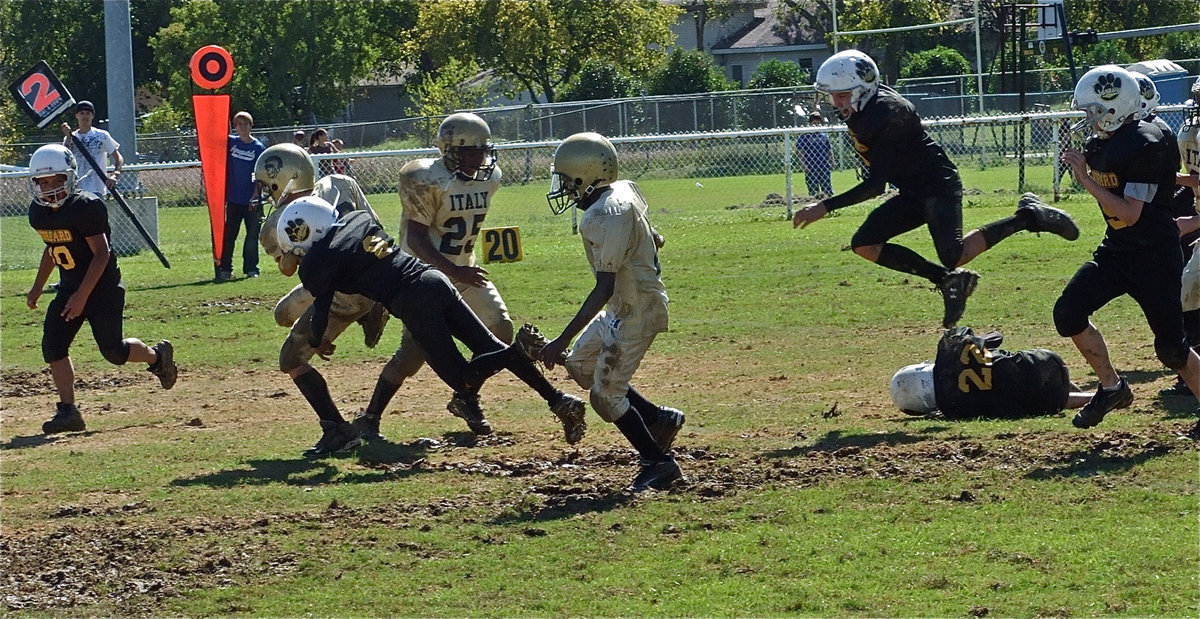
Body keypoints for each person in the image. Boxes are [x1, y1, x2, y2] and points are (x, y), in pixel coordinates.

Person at [791, 50, 1082, 328]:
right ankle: (948, 281)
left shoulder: (889, 114)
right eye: (833, 95)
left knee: (954, 255)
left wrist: (824, 206)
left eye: (842, 95)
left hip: (937, 184)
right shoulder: (866, 107)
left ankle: (1029, 217)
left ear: (862, 90)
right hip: (912, 190)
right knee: (865, 244)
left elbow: (875, 185)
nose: (836, 102)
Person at [275, 198, 586, 455]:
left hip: (413, 299)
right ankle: (558, 399)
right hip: (433, 278)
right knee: (491, 348)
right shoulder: (355, 218)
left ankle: (521, 349)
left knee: (462, 380)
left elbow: (321, 310)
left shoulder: (318, 260)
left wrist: (316, 341)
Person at [356, 112, 586, 444]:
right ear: (451, 150)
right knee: (411, 357)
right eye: (472, 152)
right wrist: (453, 271)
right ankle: (371, 416)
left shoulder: (489, 179)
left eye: (484, 151)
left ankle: (465, 397)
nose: (481, 158)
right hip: (423, 280)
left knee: (501, 328)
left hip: (464, 271)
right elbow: (417, 239)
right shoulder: (425, 178)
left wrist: (460, 271)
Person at [536, 132, 686, 494]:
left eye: (567, 180)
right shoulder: (624, 190)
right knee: (581, 366)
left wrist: (561, 339)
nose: (564, 188)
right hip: (624, 304)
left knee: (604, 396)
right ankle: (657, 419)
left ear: (586, 176)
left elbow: (604, 285)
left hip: (637, 309)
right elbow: (656, 237)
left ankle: (658, 463)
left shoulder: (604, 214)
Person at [1058, 65, 1200, 428]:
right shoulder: (1106, 141)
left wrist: (1085, 179)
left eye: (1092, 110)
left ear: (1114, 107)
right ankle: (1112, 387)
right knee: (1068, 313)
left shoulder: (1144, 143)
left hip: (1154, 257)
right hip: (1118, 250)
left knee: (1172, 350)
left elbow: (1130, 213)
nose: (1088, 119)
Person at [24, 144, 178, 434]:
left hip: (103, 287)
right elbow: (52, 249)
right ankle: (68, 411)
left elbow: (101, 254)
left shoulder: (86, 206)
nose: (50, 188)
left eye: (56, 180)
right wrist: (37, 287)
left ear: (70, 177)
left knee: (114, 351)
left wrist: (82, 296)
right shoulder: (39, 213)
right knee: (53, 345)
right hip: (70, 287)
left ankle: (158, 357)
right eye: (43, 182)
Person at [254, 143, 391, 457]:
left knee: (291, 359)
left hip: (338, 291)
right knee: (282, 314)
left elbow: (289, 269)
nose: (263, 191)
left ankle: (336, 429)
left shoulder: (275, 224)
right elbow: (376, 232)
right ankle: (373, 307)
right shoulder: (342, 183)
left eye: (266, 184)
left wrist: (319, 329)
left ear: (283, 179)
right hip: (374, 276)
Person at [890, 326, 1095, 419]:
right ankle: (1101, 391)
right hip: (1045, 361)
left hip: (1049, 399)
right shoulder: (948, 349)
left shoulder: (954, 411)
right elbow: (996, 337)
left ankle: (1093, 398)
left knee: (1024, 393)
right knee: (1013, 368)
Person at [216, 111, 267, 282]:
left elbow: (259, 175)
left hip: (252, 200)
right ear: (235, 127)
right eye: (239, 124)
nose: (242, 127)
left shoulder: (258, 148)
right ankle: (225, 269)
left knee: (252, 236)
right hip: (234, 199)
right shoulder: (231, 143)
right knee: (229, 236)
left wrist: (255, 195)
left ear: (251, 126)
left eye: (245, 124)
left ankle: (251, 268)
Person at [60, 100, 123, 199]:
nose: (85, 116)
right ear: (77, 115)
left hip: (96, 189)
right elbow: (64, 160)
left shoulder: (102, 135)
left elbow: (118, 157)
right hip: (75, 190)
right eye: (82, 113)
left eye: (88, 113)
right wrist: (68, 137)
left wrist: (115, 174)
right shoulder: (70, 138)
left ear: (92, 116)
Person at [795, 111, 833, 199]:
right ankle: (814, 201)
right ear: (810, 123)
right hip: (811, 166)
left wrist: (832, 161)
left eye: (818, 123)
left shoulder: (824, 135)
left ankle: (828, 200)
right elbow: (801, 152)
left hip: (824, 165)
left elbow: (829, 149)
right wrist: (803, 164)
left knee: (827, 186)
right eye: (814, 123)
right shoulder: (805, 136)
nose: (816, 125)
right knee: (813, 188)